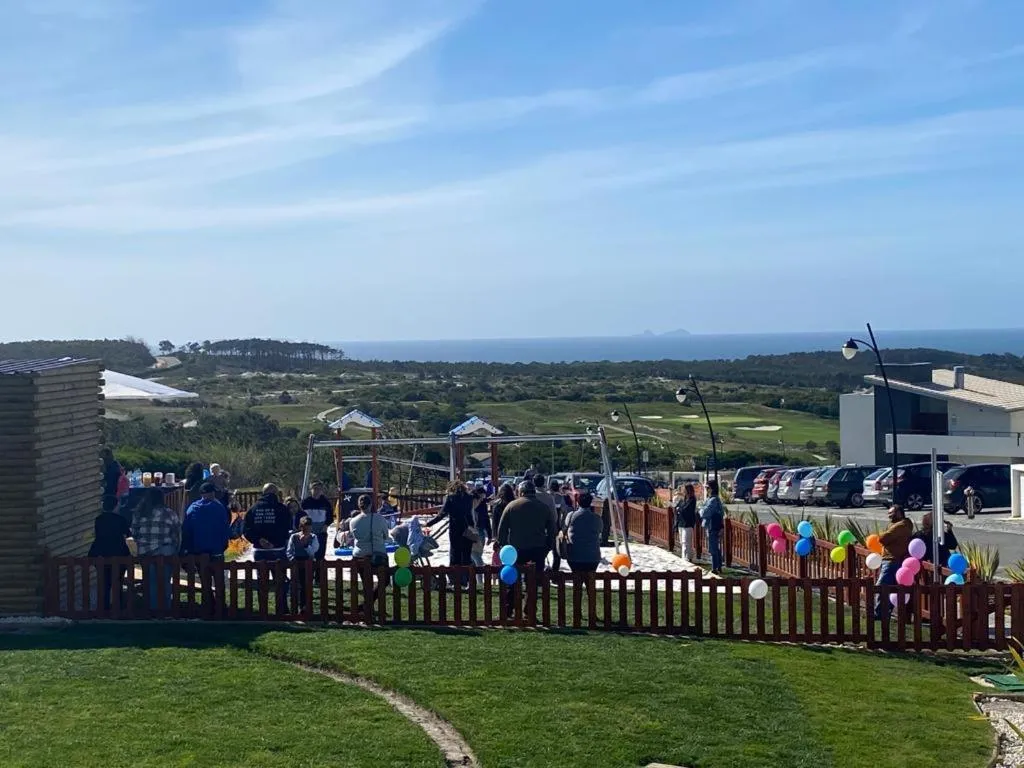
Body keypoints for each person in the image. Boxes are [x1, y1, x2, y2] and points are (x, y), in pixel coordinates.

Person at [497, 481, 558, 614]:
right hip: (537, 549)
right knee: (533, 583)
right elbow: (552, 531)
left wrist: (503, 546)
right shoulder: (543, 507)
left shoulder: (511, 506)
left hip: (516, 550)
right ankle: (529, 611)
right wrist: (547, 547)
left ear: (520, 491)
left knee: (512, 580)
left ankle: (508, 610)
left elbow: (501, 530)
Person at [243, 483, 293, 610]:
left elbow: (246, 530)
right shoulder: (281, 509)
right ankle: (282, 609)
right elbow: (287, 528)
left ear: (263, 493)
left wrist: (259, 540)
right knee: (280, 581)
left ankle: (263, 609)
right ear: (275, 494)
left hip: (259, 550)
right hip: (278, 549)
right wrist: (275, 541)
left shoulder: (253, 509)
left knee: (262, 581)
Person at [132, 487, 182, 610]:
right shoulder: (169, 513)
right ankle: (166, 609)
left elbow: (134, 533)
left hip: (145, 552)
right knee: (165, 582)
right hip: (165, 551)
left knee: (150, 583)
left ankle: (152, 610)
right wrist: (176, 549)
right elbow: (176, 534)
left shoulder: (139, 513)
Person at [88, 495, 131, 610]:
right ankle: (119, 608)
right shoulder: (120, 520)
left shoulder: (99, 520)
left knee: (104, 584)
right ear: (116, 506)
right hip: (119, 553)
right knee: (118, 582)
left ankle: (104, 608)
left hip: (101, 554)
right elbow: (128, 533)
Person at [427, 481, 475, 584]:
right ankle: (467, 580)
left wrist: (428, 524)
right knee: (466, 555)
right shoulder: (469, 498)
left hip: (455, 529)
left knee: (455, 554)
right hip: (468, 528)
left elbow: (442, 514)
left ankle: (455, 580)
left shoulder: (451, 498)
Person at [349, 495, 390, 606]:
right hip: (378, 554)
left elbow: (353, 537)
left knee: (366, 584)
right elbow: (386, 536)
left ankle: (366, 607)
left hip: (359, 555)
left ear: (359, 505)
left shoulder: (352, 522)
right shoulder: (380, 519)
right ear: (371, 505)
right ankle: (367, 604)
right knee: (385, 580)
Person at [875, 504, 914, 620]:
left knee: (882, 586)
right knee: (890, 587)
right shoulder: (898, 525)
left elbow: (883, 538)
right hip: (891, 560)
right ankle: (884, 613)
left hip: (892, 560)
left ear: (898, 513)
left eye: (891, 513)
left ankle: (879, 613)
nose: (889, 516)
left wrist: (884, 536)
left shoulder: (901, 526)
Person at [286, 516, 320, 611]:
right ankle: (294, 606)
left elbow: (313, 551)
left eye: (309, 528)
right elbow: (289, 550)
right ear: (300, 527)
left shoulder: (313, 537)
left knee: (306, 585)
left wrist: (305, 544)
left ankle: (304, 606)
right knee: (295, 585)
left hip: (308, 563)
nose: (306, 530)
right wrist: (291, 558)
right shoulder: (294, 537)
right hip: (296, 562)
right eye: (304, 528)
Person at [564, 492, 602, 575]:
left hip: (574, 555)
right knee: (590, 583)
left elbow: (564, 528)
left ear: (578, 502)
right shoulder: (597, 518)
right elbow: (600, 530)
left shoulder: (571, 516)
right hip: (593, 556)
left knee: (577, 581)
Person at [301, 481, 334, 560]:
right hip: (308, 532)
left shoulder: (326, 503)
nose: (317, 491)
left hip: (321, 532)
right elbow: (301, 516)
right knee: (308, 555)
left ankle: (319, 572)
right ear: (311, 490)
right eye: (315, 489)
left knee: (320, 555)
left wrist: (326, 526)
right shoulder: (305, 502)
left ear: (322, 490)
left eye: (319, 489)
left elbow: (330, 517)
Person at [699, 479, 725, 576]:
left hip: (712, 526)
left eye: (707, 488)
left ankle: (715, 568)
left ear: (712, 488)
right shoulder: (711, 499)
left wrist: (701, 509)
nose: (706, 490)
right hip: (712, 526)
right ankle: (718, 566)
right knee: (715, 547)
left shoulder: (713, 500)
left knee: (712, 548)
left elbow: (705, 513)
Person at [674, 484, 698, 563]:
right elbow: (677, 507)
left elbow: (685, 510)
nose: (683, 491)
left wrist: (679, 509)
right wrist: (678, 509)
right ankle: (686, 556)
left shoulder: (692, 500)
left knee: (686, 541)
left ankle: (686, 558)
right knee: (682, 541)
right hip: (681, 522)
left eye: (684, 489)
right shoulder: (683, 499)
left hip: (688, 523)